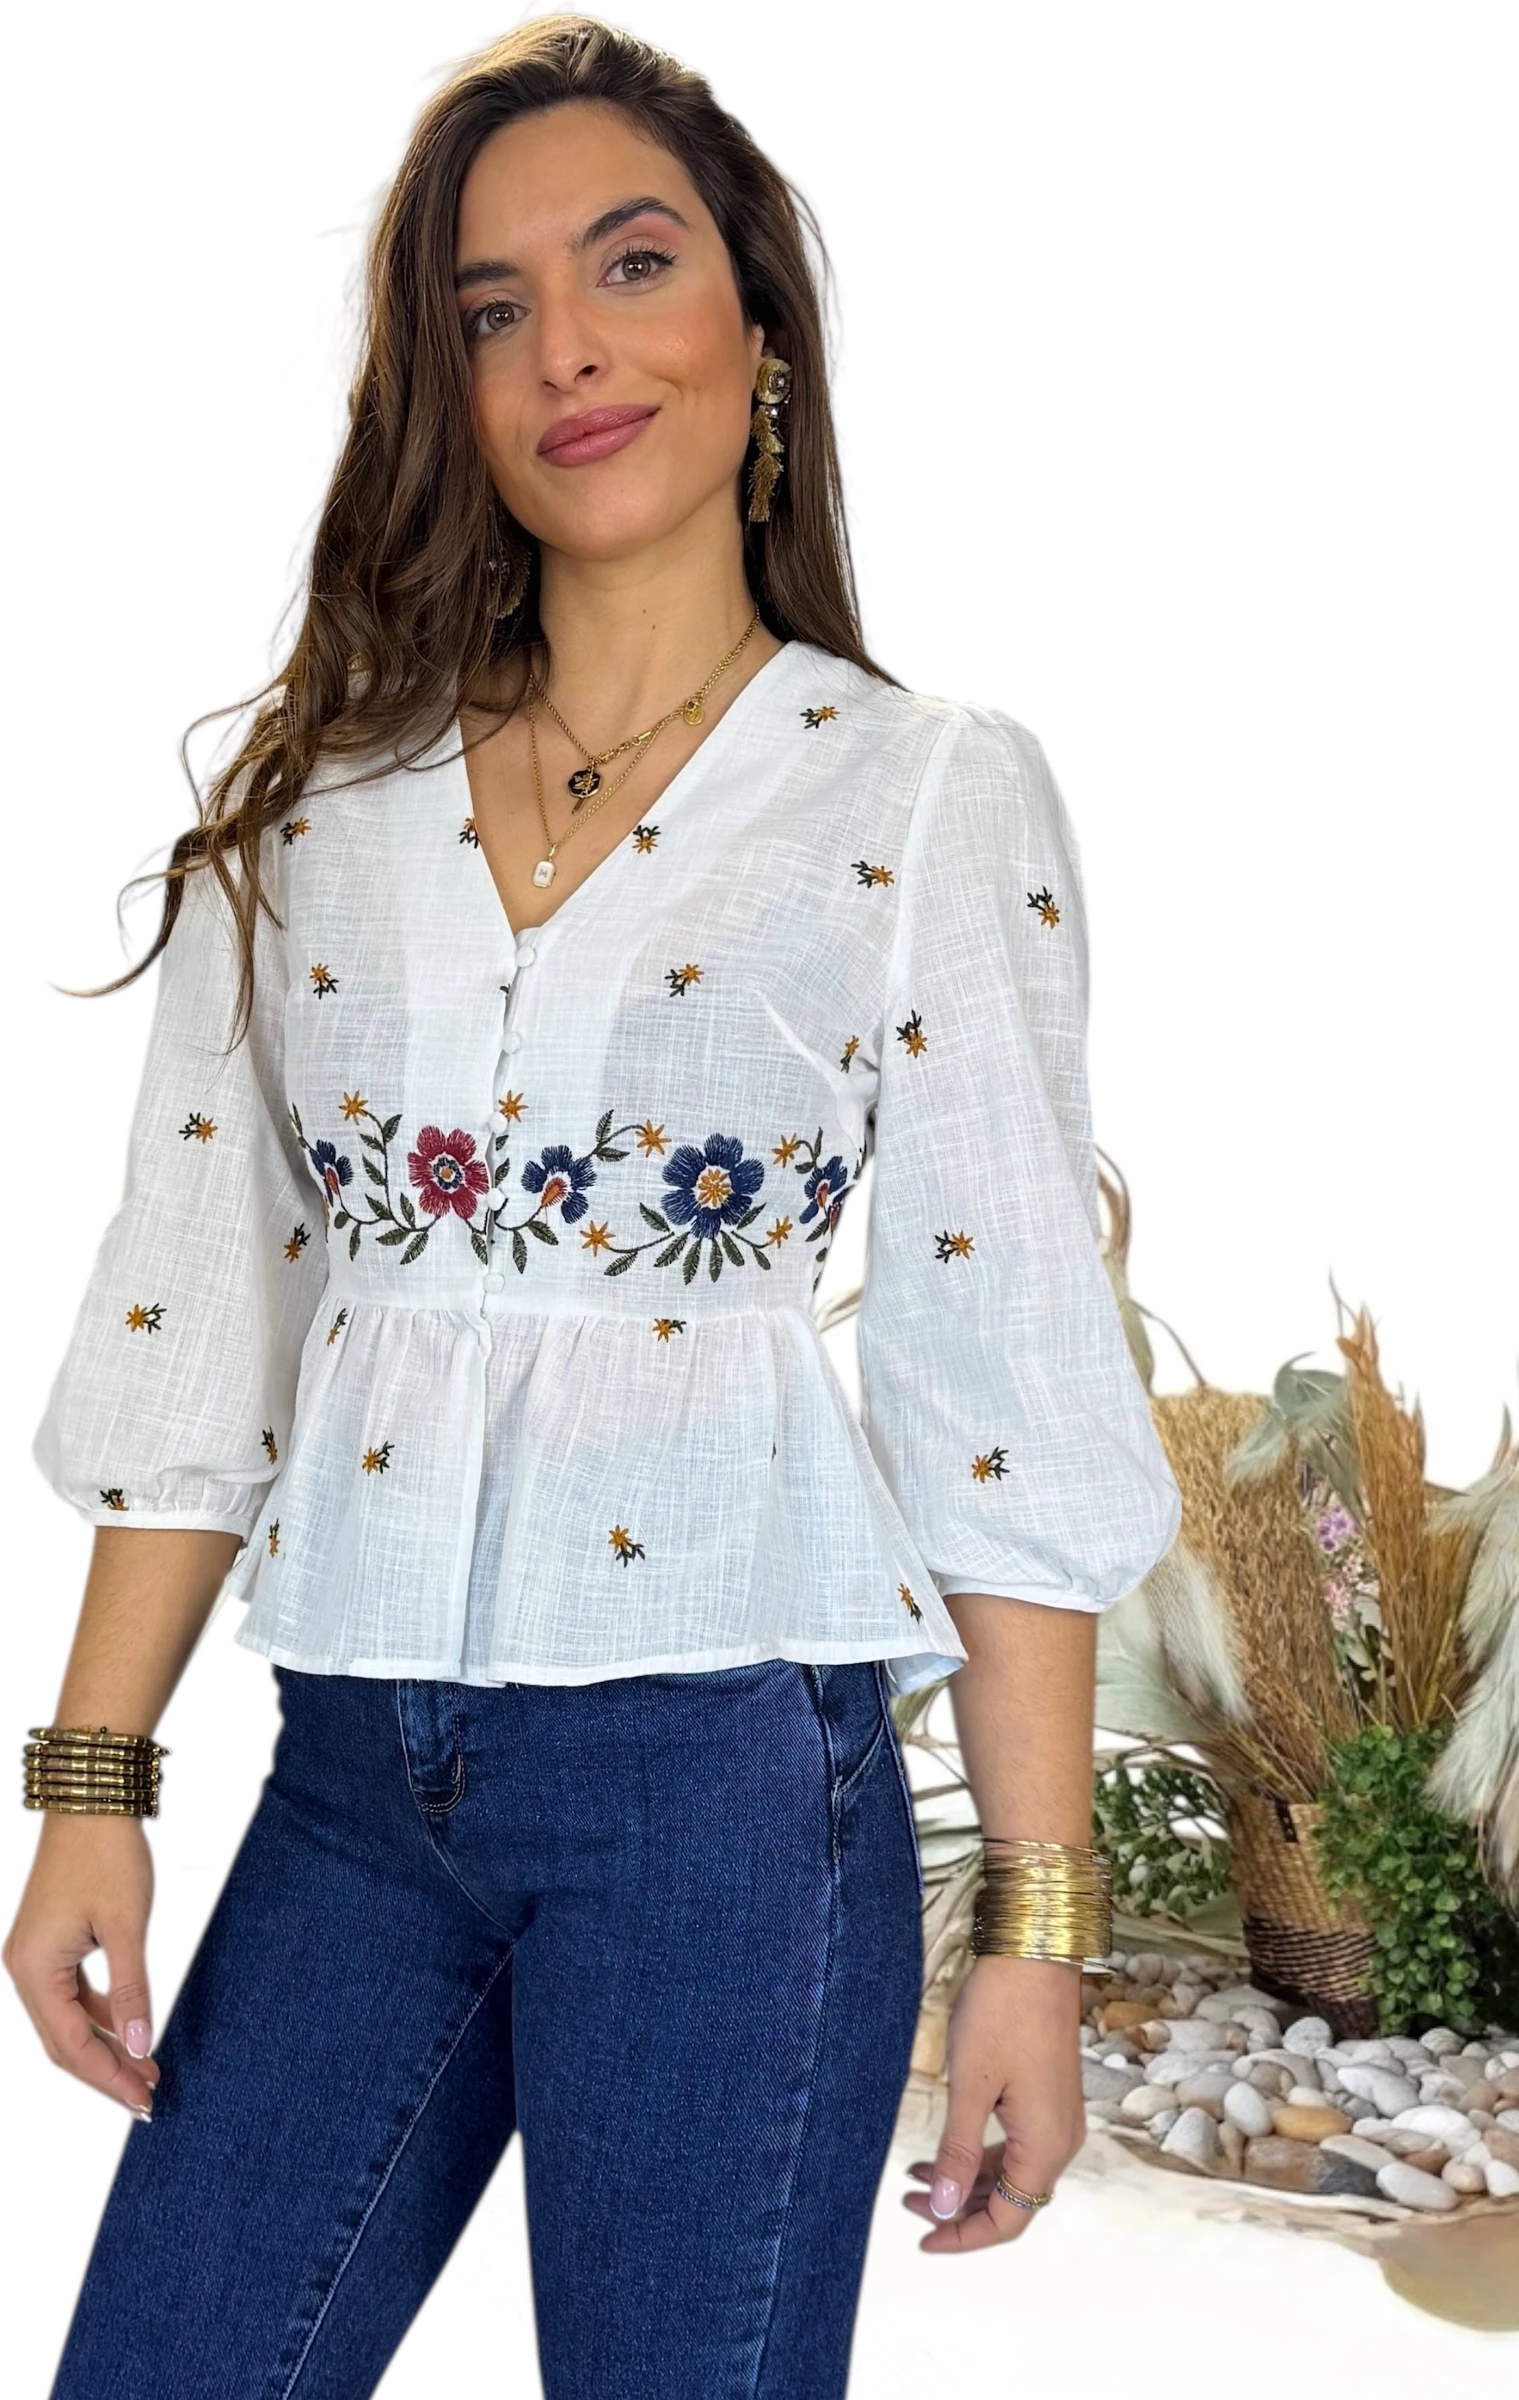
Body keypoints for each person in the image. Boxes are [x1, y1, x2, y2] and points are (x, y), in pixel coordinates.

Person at [5, 17, 1182, 2397]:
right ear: (447, 391)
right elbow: (200, 1309)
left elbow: (995, 1373)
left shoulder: (919, 792)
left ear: (760, 326)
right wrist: (90, 1788)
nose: (567, 347)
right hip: (351, 1787)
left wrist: (1037, 1932)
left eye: (631, 265)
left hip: (727, 1797)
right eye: (492, 307)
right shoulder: (321, 810)